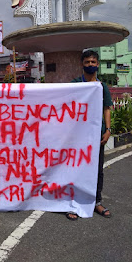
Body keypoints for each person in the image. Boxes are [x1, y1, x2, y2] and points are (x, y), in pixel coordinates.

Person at [66, 50, 112, 221]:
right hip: (78, 136)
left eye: (93, 62)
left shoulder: (102, 87)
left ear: (98, 64)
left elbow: (107, 108)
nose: (90, 65)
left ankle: (96, 201)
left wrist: (108, 130)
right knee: (75, 169)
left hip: (97, 136)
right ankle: (72, 203)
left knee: (97, 170)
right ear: (82, 64)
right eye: (87, 62)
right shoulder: (75, 84)